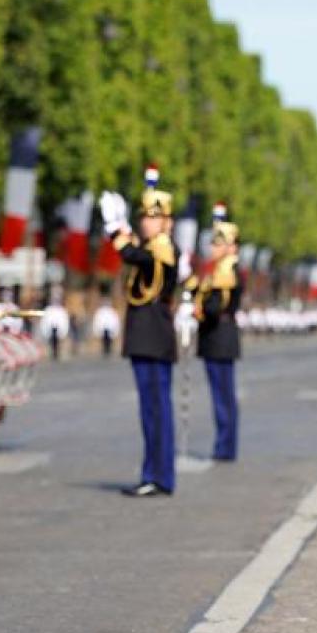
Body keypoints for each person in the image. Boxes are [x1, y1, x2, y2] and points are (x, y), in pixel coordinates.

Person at [100, 166, 179, 498]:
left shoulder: (161, 248)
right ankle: (157, 474)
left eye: (152, 217)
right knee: (152, 410)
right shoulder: (153, 247)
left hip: (153, 338)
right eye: (144, 216)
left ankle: (157, 476)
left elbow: (133, 255)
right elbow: (135, 254)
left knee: (155, 410)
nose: (146, 222)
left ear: (166, 222)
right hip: (147, 337)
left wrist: (115, 227)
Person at [193, 212, 242, 461]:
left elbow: (214, 307)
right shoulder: (222, 270)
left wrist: (197, 310)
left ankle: (225, 446)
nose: (213, 247)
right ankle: (225, 444)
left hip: (219, 336)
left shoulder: (226, 270)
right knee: (222, 395)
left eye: (218, 243)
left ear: (230, 246)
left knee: (223, 396)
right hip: (218, 337)